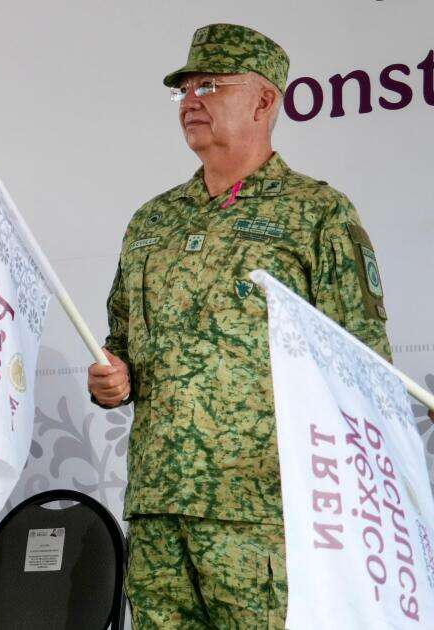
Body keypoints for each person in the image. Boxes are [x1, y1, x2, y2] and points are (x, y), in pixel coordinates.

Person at [87, 24, 393, 628]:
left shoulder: (316, 213)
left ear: (263, 101)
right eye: (184, 89)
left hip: (264, 514)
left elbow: (363, 366)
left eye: (210, 85)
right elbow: (120, 341)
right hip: (155, 508)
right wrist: (111, 380)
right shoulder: (153, 220)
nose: (191, 100)